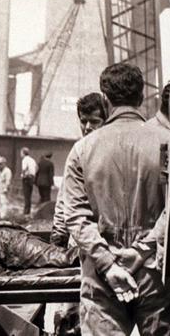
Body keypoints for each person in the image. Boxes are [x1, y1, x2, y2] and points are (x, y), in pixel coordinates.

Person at [63, 63, 170, 335]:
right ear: (141, 97)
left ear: (105, 100)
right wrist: (142, 249)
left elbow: (77, 217)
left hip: (102, 274)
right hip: (154, 271)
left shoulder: (82, 150)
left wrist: (108, 263)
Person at [50, 93, 108, 247]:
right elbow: (64, 197)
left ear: (107, 121)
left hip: (109, 241)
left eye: (95, 121)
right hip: (80, 242)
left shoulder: (113, 153)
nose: (88, 127)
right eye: (83, 121)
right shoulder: (78, 153)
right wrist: (58, 236)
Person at [20, 147, 37, 215]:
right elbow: (36, 167)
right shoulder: (32, 160)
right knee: (29, 195)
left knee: (26, 195)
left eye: (21, 153)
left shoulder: (25, 160)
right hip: (32, 178)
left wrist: (22, 175)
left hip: (26, 178)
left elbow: (24, 168)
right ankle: (28, 210)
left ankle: (26, 212)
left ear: (23, 153)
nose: (20, 155)